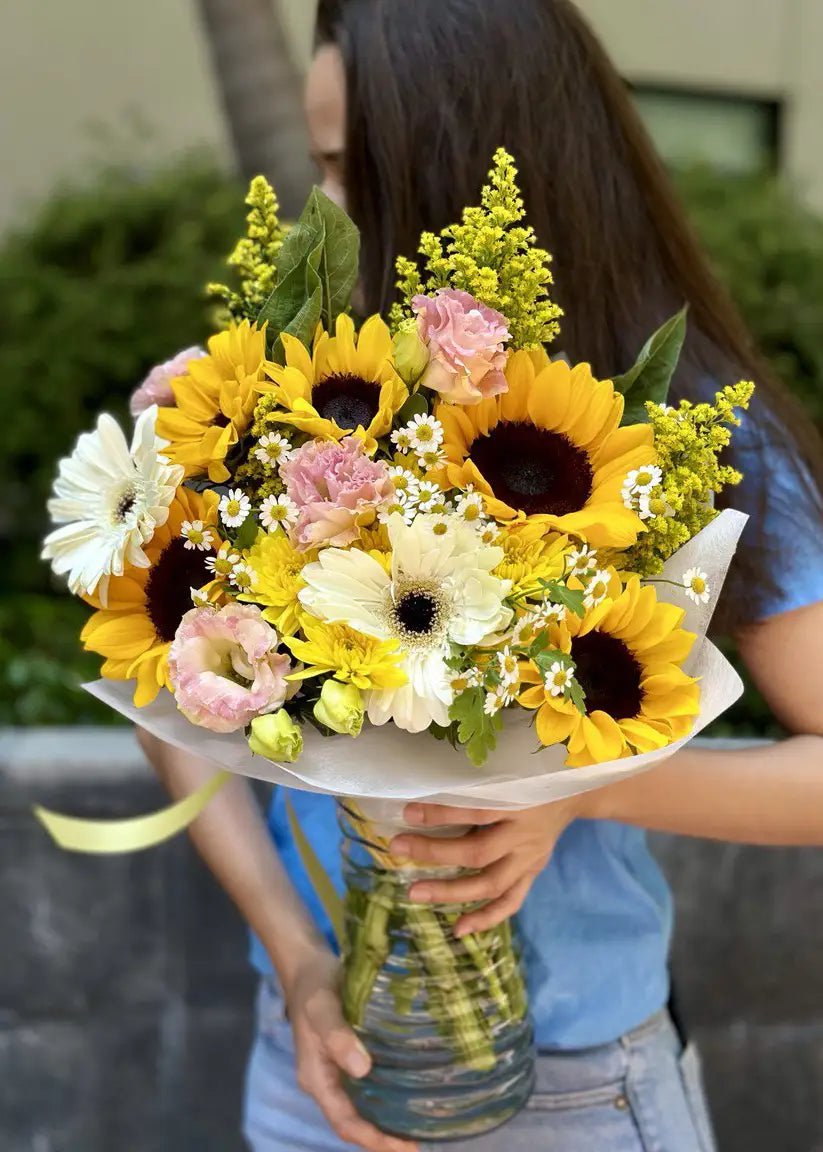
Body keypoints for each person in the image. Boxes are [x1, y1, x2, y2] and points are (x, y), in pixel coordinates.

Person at [139, 2, 823, 1149]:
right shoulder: (301, 398)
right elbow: (175, 686)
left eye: (354, 168)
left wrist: (577, 786)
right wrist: (300, 960)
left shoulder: (690, 435)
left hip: (569, 1093)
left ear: (469, 166)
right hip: (315, 1062)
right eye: (318, 168)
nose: (333, 211)